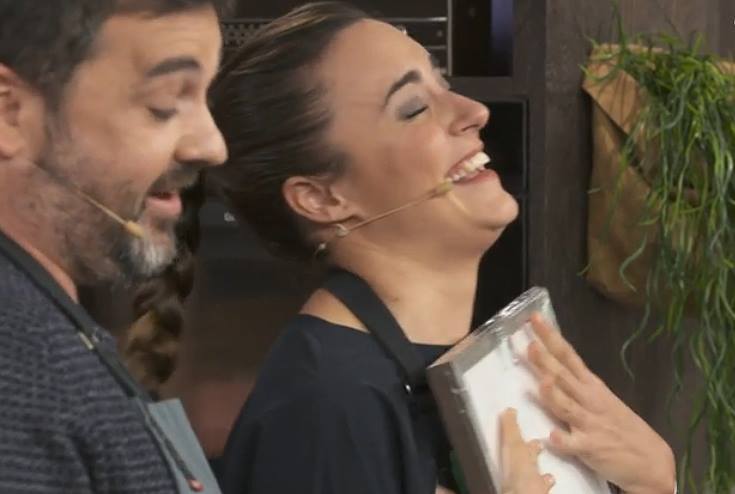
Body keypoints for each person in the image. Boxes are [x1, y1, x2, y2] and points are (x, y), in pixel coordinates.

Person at [199, 2, 676, 494]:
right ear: (321, 198)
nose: (474, 112)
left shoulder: (473, 365)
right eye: (413, 108)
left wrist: (655, 482)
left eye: (442, 83)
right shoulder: (327, 409)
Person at [0, 0, 228, 492]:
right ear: (9, 112)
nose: (212, 145)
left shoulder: (42, 329)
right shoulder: (15, 369)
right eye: (165, 103)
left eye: (204, 98)